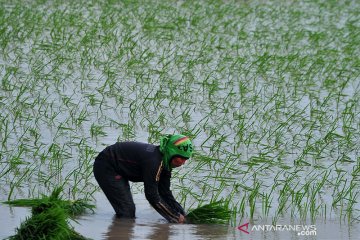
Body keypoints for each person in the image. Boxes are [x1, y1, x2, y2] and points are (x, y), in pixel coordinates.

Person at [93, 134, 193, 223]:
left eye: (186, 159)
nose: (183, 162)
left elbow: (165, 193)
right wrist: (174, 217)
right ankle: (120, 232)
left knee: (127, 211)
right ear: (171, 153)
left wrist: (183, 213)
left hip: (119, 167)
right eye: (181, 158)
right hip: (107, 165)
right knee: (127, 211)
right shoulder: (154, 162)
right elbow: (152, 195)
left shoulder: (166, 163)